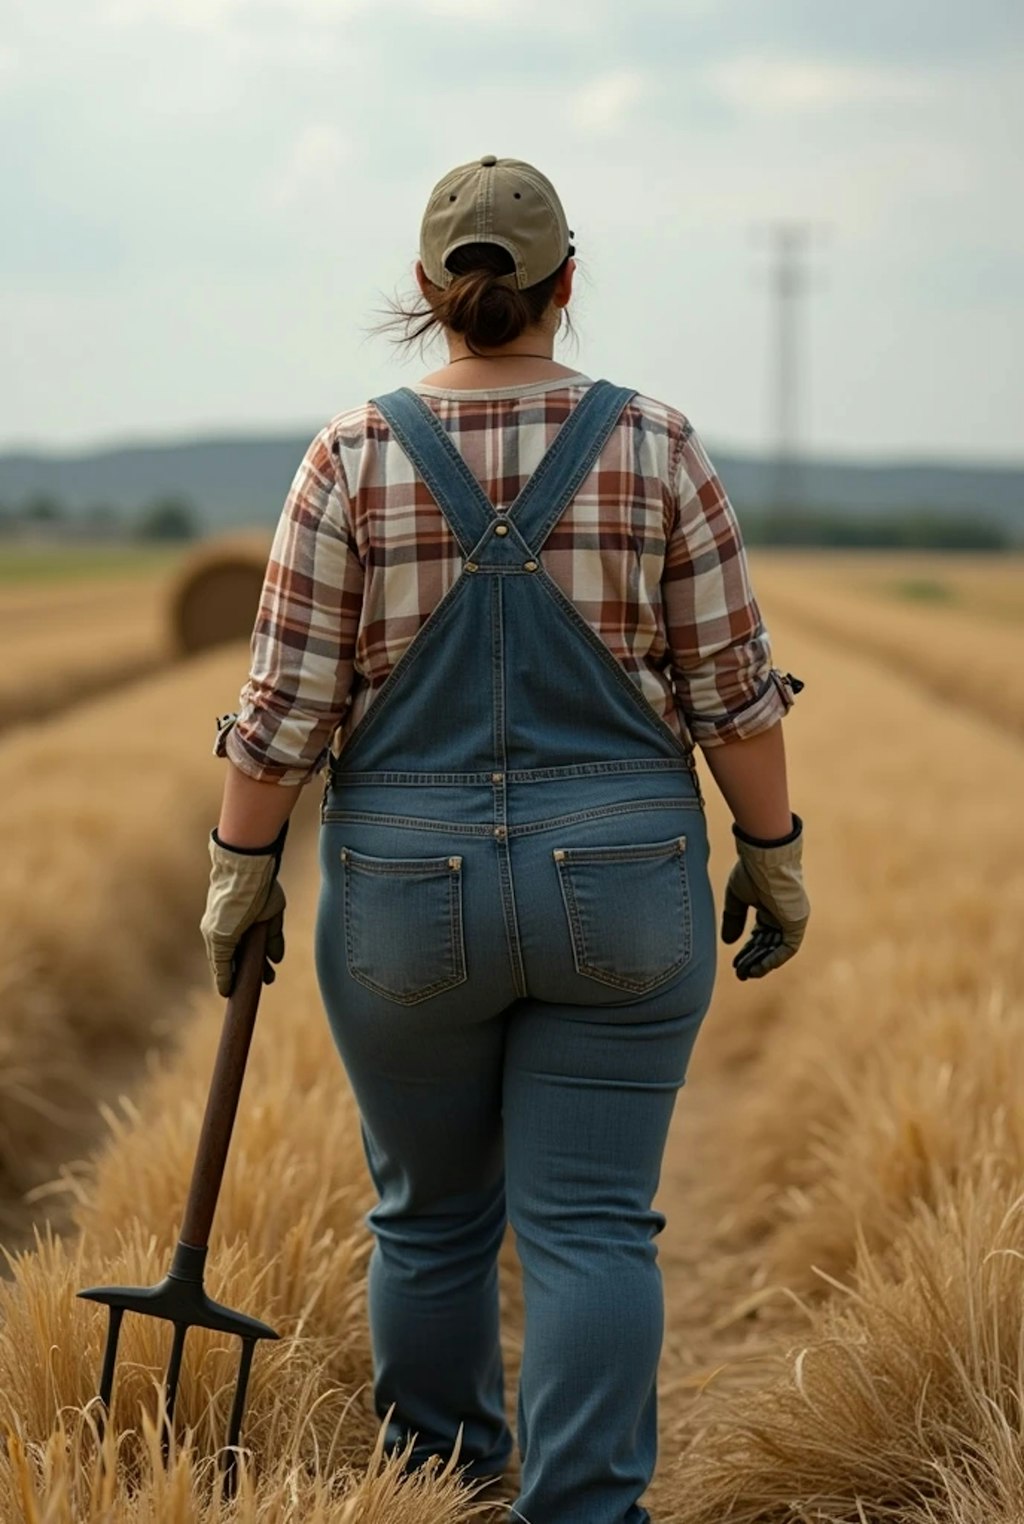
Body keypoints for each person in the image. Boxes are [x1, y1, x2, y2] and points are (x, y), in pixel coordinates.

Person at [200, 155, 809, 1524]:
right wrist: (772, 848)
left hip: (403, 894)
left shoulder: (350, 456)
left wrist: (242, 873)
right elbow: (732, 692)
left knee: (427, 1222)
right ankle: (586, 1509)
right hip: (627, 884)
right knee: (594, 1227)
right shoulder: (658, 443)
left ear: (427, 290)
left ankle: (445, 1496)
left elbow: (284, 710)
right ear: (567, 284)